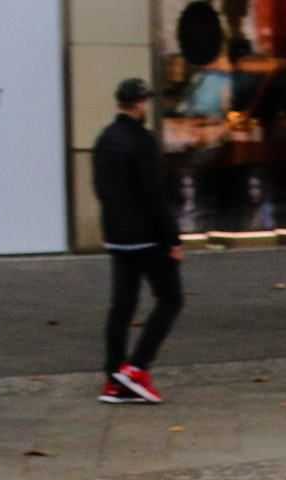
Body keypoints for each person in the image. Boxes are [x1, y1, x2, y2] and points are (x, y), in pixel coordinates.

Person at [93, 77, 184, 404]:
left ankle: (113, 377)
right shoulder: (142, 142)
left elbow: (101, 190)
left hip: (118, 238)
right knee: (171, 298)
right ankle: (137, 367)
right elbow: (154, 196)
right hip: (146, 238)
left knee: (121, 307)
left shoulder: (104, 139)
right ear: (140, 103)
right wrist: (172, 238)